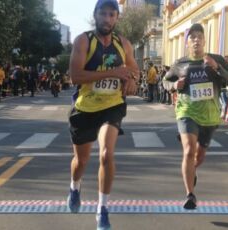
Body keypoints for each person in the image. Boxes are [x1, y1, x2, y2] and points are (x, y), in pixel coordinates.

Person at [67, 0, 139, 229]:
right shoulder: (83, 40)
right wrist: (113, 72)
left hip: (113, 105)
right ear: (95, 15)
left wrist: (133, 81)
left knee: (106, 154)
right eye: (103, 14)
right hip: (85, 107)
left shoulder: (123, 44)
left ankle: (102, 209)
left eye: (111, 14)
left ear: (117, 18)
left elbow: (134, 69)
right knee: (81, 161)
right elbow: (75, 76)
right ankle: (75, 187)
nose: (107, 19)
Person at [163, 23, 228, 210]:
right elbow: (165, 81)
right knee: (188, 151)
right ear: (187, 42)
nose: (196, 40)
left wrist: (218, 68)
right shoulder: (180, 63)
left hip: (210, 116)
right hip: (186, 111)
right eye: (192, 37)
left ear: (205, 41)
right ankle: (190, 194)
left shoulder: (216, 59)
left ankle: (192, 170)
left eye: (199, 37)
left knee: (200, 156)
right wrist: (174, 86)